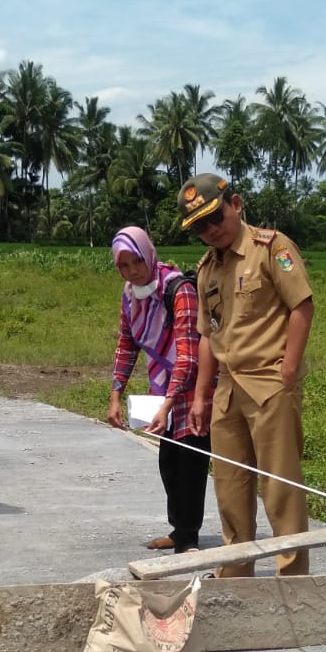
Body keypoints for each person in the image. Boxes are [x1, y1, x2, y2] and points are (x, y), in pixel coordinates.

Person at [182, 174, 314, 576]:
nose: (211, 230)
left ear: (235, 203)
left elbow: (301, 306)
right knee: (231, 488)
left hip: (268, 384)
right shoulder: (207, 268)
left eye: (215, 217)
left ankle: (292, 578)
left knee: (279, 488)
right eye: (200, 227)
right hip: (228, 390)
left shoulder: (271, 248)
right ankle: (234, 574)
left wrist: (288, 369)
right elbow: (208, 335)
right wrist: (201, 396)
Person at [104, 225, 213, 554]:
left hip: (193, 391)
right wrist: (115, 395)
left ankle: (189, 536)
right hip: (161, 388)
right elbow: (127, 344)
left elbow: (188, 354)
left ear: (148, 254)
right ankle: (179, 530)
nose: (132, 271)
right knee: (169, 462)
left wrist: (169, 403)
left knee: (190, 463)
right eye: (123, 266)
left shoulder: (178, 290)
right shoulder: (130, 295)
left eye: (136, 261)